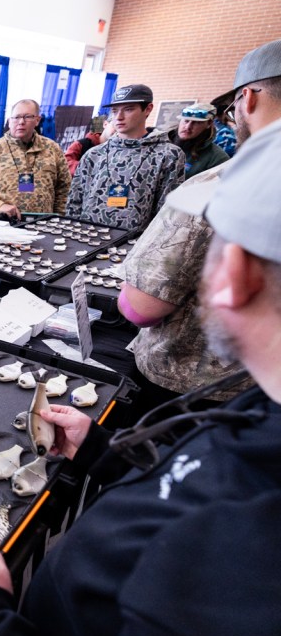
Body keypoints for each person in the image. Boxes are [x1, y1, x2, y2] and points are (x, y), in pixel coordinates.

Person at [0, 116, 281, 636]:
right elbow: (190, 483)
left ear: (234, 274)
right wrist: (104, 454)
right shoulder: (263, 406)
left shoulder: (246, 549)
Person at [119, 39, 281, 406]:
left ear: (248, 99)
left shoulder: (220, 185)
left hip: (193, 391)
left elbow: (142, 307)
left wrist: (128, 292)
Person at [66, 84, 185, 230]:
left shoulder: (168, 155)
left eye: (128, 109)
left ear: (148, 109)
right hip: (86, 237)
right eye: (115, 111)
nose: (119, 117)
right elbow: (74, 202)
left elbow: (166, 213)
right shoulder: (94, 154)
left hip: (135, 241)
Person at [0, 99, 71, 219]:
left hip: (43, 225)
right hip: (3, 225)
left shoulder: (52, 149)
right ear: (9, 121)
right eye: (16, 117)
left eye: (27, 117)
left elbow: (64, 189)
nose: (21, 122)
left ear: (37, 120)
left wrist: (59, 218)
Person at [167, 103, 230, 178]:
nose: (188, 127)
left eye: (196, 122)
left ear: (209, 124)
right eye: (186, 121)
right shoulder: (162, 144)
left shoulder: (217, 158)